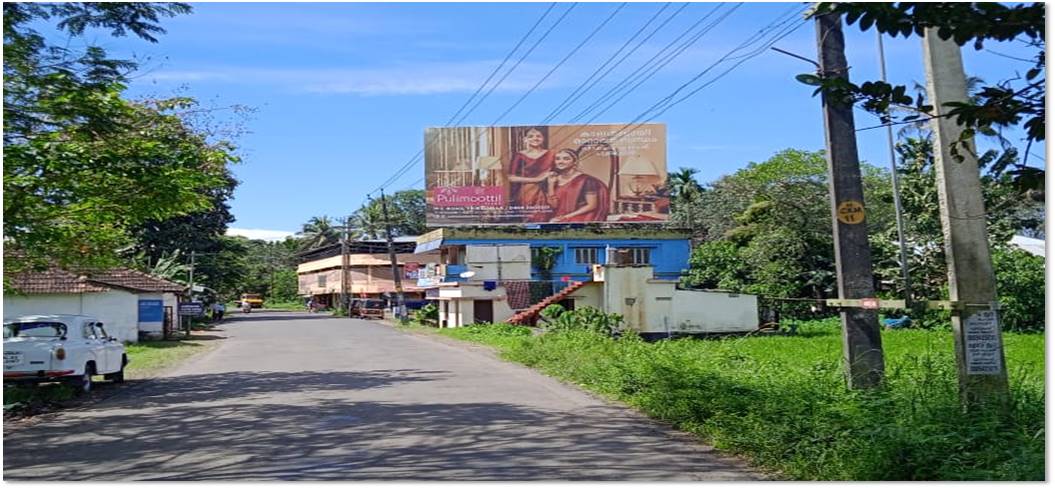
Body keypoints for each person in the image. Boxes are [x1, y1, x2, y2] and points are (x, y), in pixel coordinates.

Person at [545, 148, 610, 223]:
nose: (560, 162)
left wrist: (565, 217)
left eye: (566, 159)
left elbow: (592, 205)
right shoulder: (553, 179)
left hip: (581, 216)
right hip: (559, 215)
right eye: (557, 159)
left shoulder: (587, 180)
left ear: (575, 162)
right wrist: (551, 184)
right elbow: (554, 206)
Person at [507, 127, 554, 221]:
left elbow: (556, 172)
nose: (535, 138)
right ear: (525, 139)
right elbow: (511, 177)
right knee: (530, 219)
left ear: (543, 138)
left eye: (538, 136)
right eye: (531, 136)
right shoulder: (519, 155)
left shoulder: (551, 154)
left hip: (549, 189)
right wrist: (537, 179)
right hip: (527, 192)